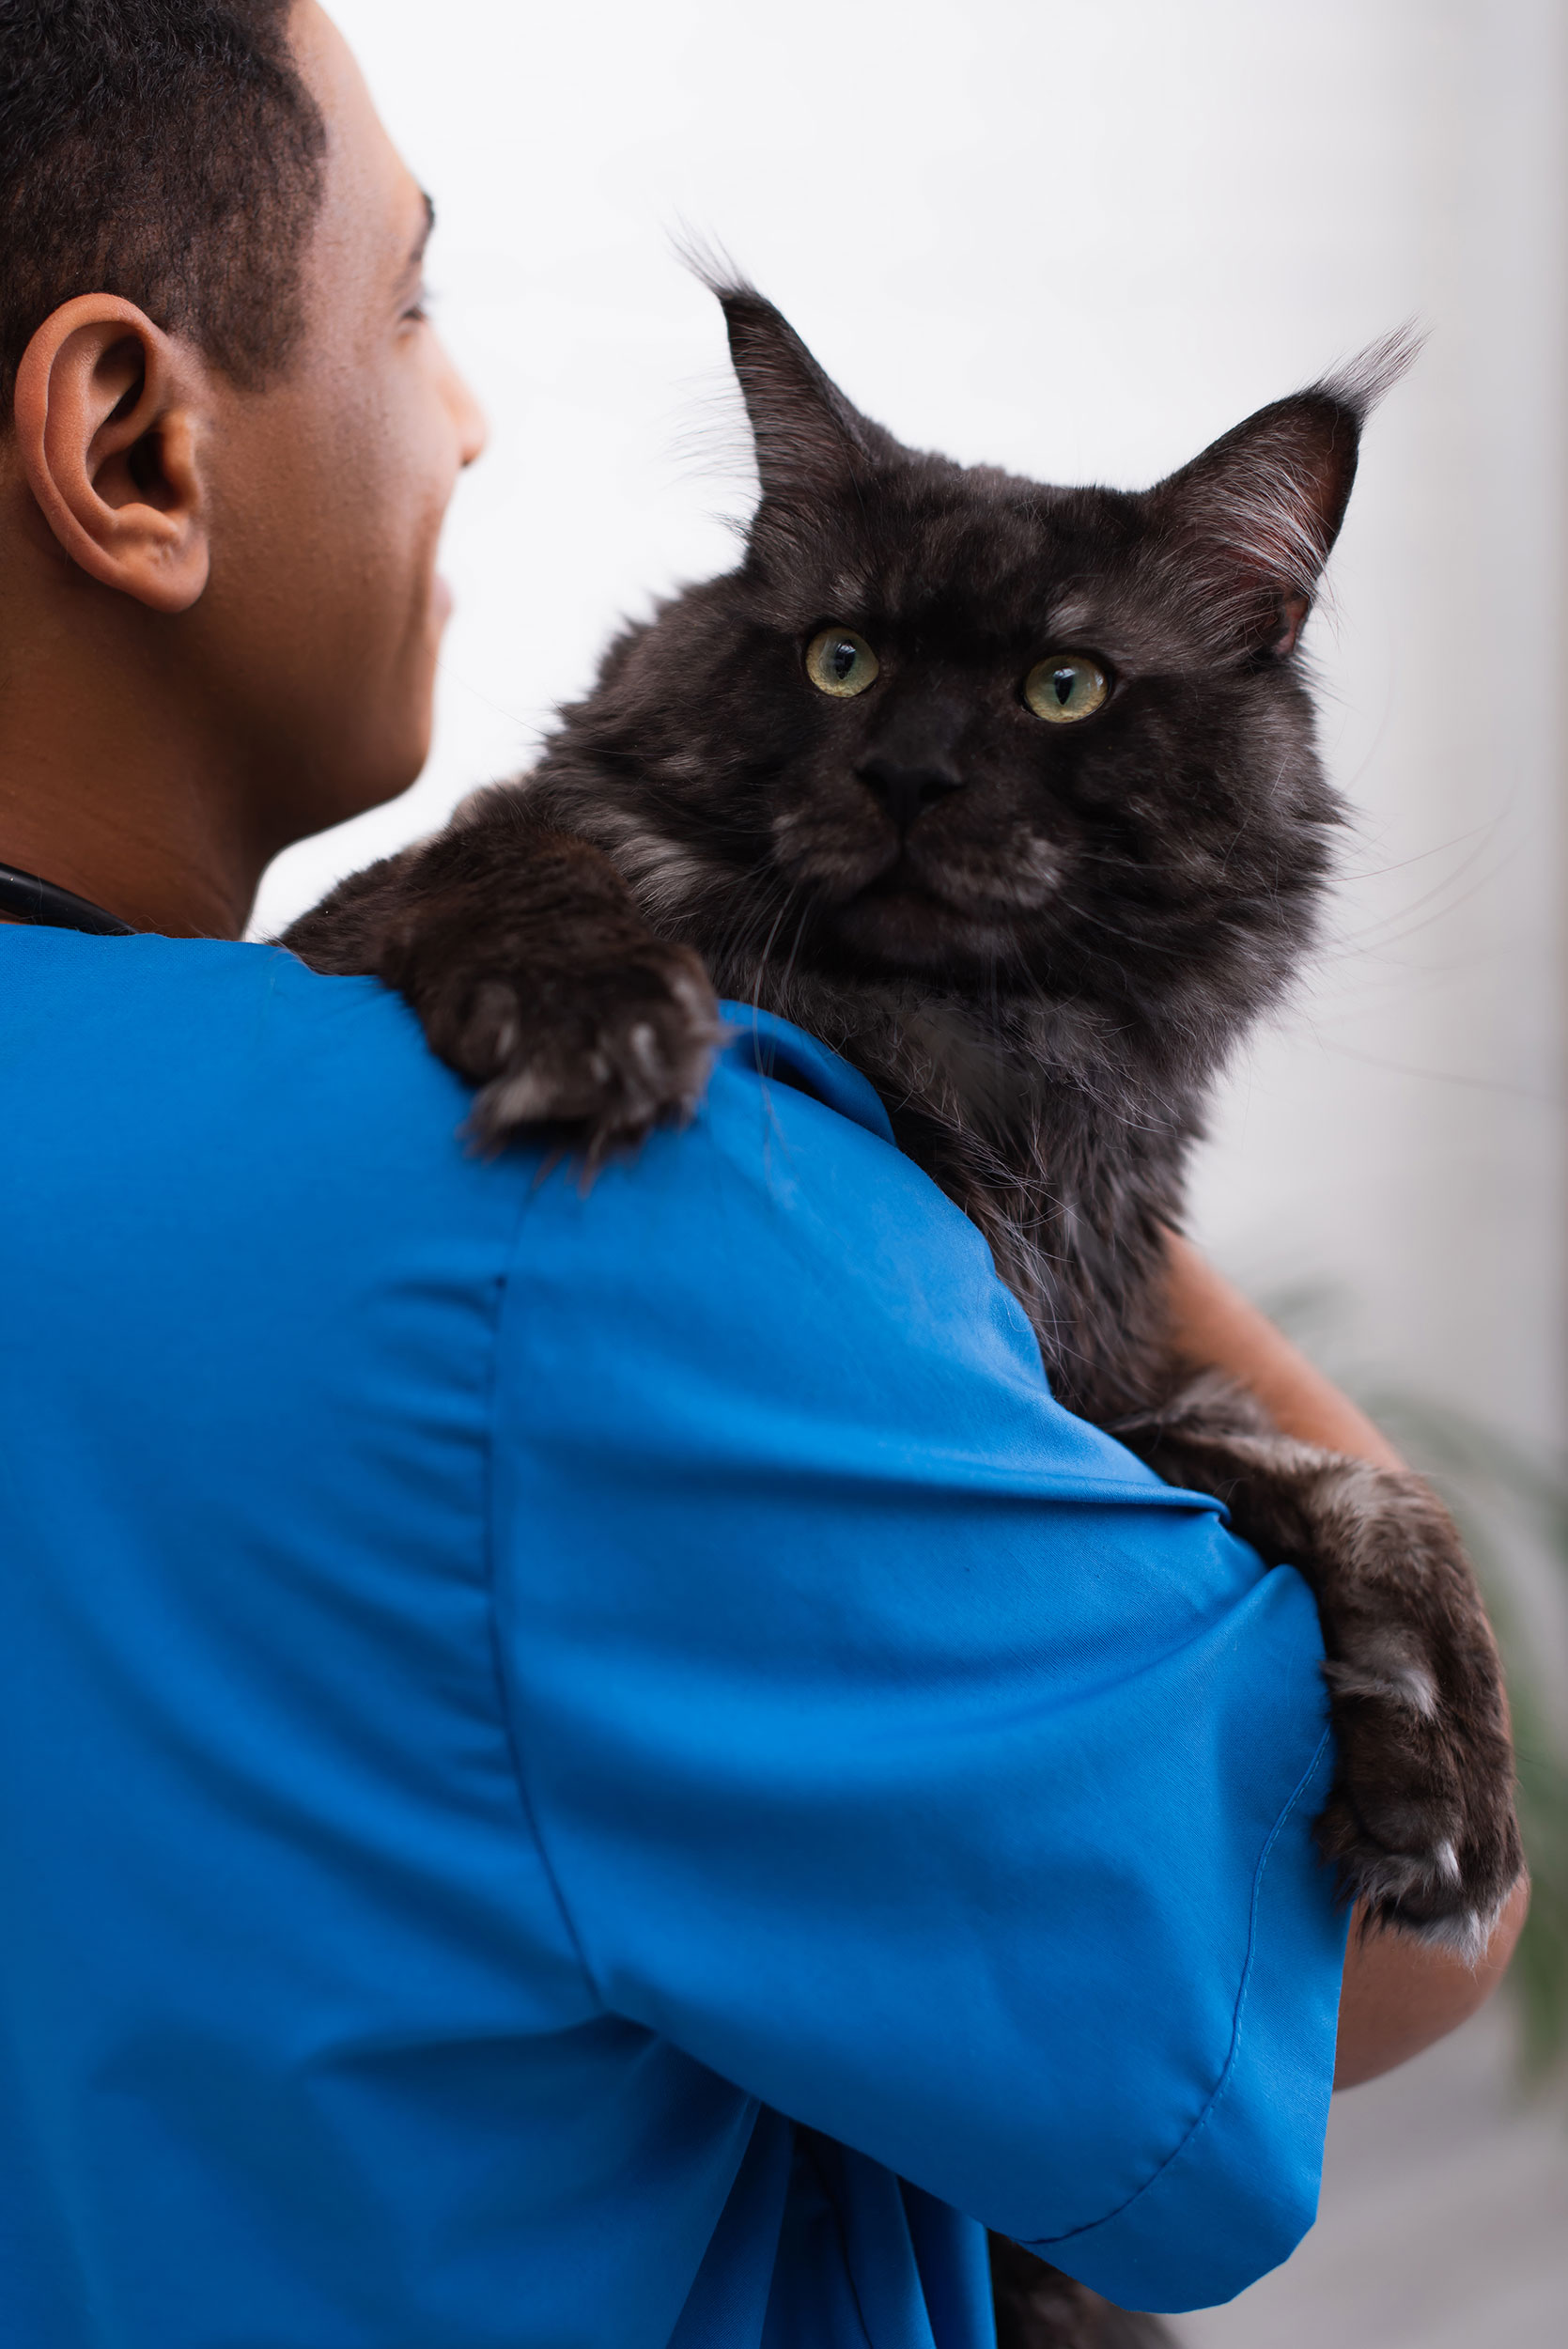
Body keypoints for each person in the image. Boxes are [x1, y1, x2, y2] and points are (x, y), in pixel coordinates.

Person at [0, 5, 1526, 2345]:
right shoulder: (588, 1208)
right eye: (412, 305)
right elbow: (1368, 1964)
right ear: (130, 441)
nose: (475, 410)